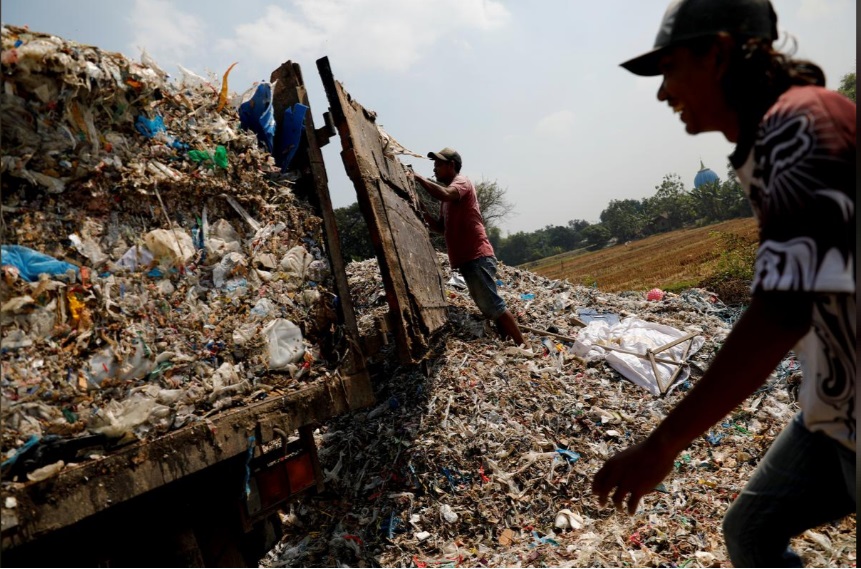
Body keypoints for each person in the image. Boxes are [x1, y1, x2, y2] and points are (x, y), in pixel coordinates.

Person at [591, 0, 856, 566]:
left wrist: (663, 444)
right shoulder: (771, 143)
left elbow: (782, 312)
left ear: (717, 53)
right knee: (752, 533)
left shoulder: (801, 126)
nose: (663, 93)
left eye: (670, 69)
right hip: (833, 405)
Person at [409, 147, 526, 347]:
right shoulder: (447, 200)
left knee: (494, 306)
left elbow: (445, 193)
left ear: (451, 165)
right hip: (468, 258)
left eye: (438, 165)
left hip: (476, 255)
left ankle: (524, 347)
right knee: (489, 308)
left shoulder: (460, 183)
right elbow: (440, 227)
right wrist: (419, 204)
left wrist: (418, 178)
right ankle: (512, 346)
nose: (435, 169)